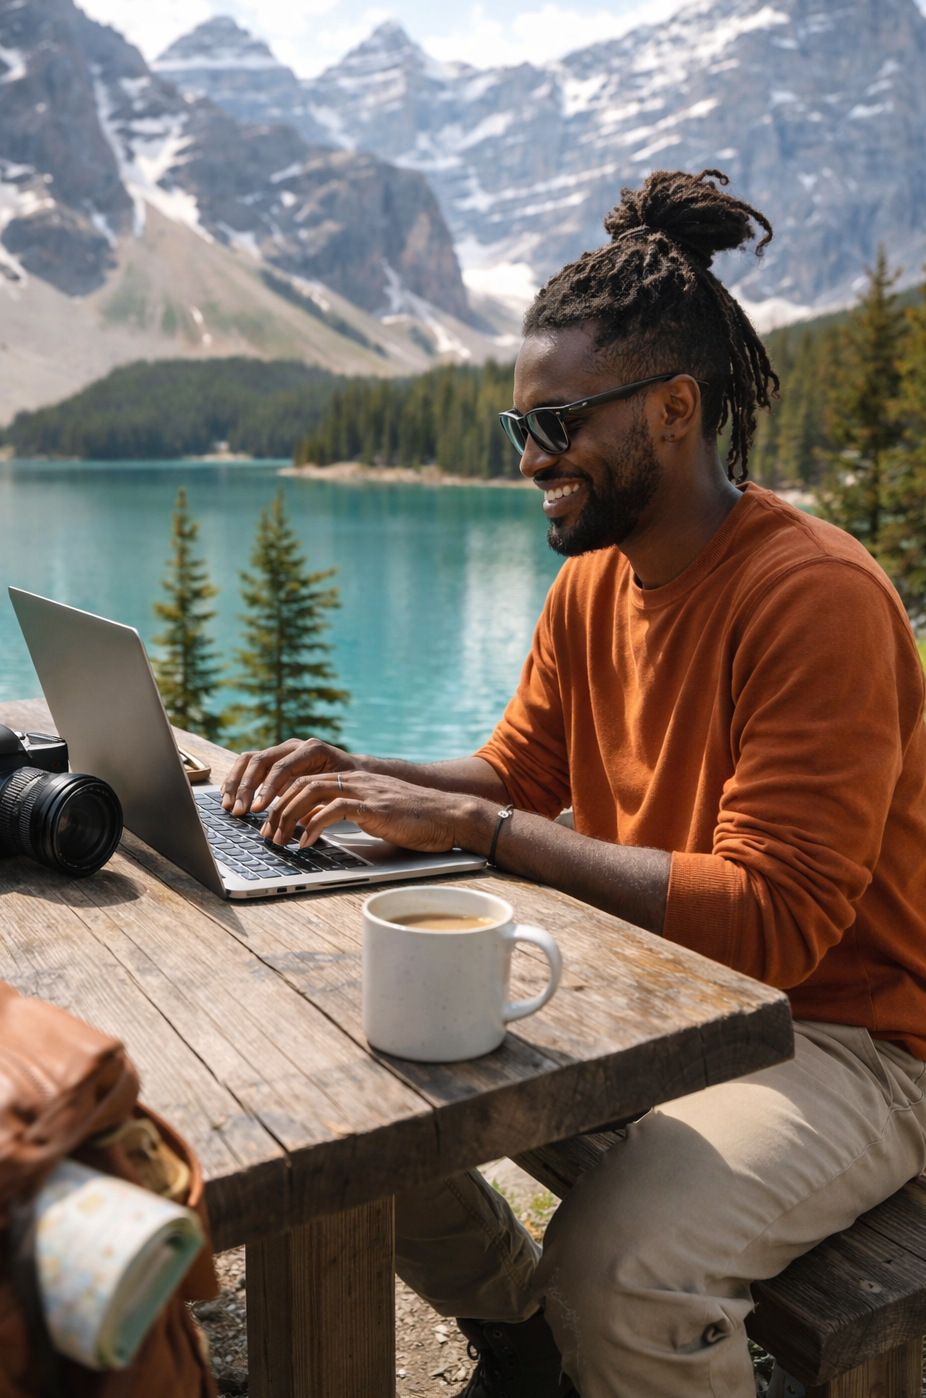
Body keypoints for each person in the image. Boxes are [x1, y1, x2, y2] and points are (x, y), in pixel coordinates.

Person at [220, 169, 926, 1398]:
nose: (530, 459)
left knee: (625, 1273)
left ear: (670, 409)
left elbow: (777, 918)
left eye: (557, 427)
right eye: (519, 431)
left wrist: (484, 831)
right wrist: (358, 774)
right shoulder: (594, 585)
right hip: (674, 992)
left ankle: (595, 1334)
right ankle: (524, 1340)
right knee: (337, 1091)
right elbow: (515, 772)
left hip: (850, 1035)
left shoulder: (813, 596)